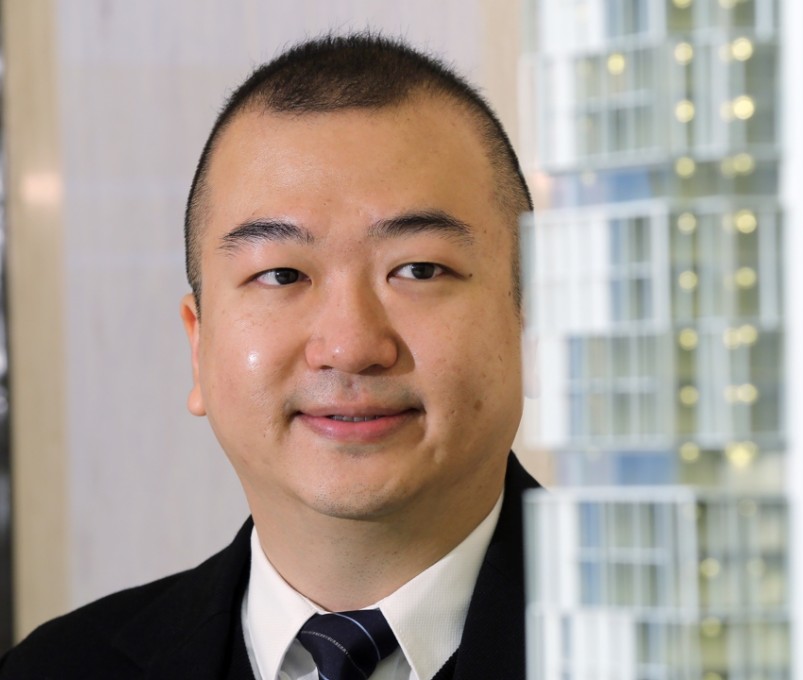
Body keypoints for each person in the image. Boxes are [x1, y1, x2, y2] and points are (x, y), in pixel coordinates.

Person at [0, 32, 538, 680]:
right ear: (198, 343)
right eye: (282, 275)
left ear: (530, 321)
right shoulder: (56, 670)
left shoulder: (678, 647)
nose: (350, 345)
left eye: (418, 269)